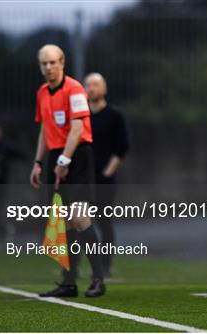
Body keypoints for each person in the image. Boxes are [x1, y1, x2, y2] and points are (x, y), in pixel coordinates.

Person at [30, 44, 105, 297]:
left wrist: (64, 162)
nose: (48, 67)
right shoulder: (42, 93)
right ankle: (69, 281)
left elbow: (76, 130)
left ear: (62, 62)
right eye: (44, 64)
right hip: (55, 156)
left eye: (52, 62)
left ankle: (98, 278)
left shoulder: (74, 89)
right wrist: (39, 162)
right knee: (63, 223)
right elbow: (45, 129)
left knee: (79, 217)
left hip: (78, 155)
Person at [85, 72, 129, 277]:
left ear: (104, 89)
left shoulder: (114, 115)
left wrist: (107, 172)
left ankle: (106, 264)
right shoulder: (81, 117)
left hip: (104, 179)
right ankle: (80, 264)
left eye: (95, 84)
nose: (91, 88)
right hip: (83, 178)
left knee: (104, 221)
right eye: (88, 85)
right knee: (80, 223)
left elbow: (122, 148)